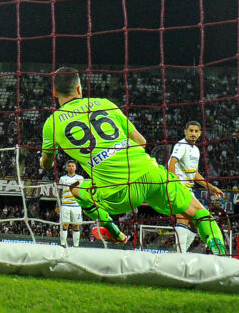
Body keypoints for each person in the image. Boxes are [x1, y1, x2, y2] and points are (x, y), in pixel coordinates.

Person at [39, 67, 226, 254]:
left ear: (54, 92)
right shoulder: (104, 103)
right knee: (198, 212)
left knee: (77, 189)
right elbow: (141, 141)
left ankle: (115, 233)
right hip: (150, 173)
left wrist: (44, 160)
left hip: (118, 191)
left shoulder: (52, 123)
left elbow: (47, 163)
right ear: (79, 89)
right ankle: (222, 257)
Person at [167, 121, 224, 252]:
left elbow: (195, 174)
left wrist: (211, 187)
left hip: (188, 189)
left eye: (196, 131)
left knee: (189, 222)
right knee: (201, 215)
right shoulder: (181, 145)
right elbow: (171, 163)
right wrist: (174, 185)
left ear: (200, 134)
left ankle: (179, 254)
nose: (193, 134)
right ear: (185, 131)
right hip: (180, 188)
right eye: (191, 131)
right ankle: (182, 255)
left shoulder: (196, 150)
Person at [56, 159, 84, 247]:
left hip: (76, 205)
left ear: (75, 168)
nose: (71, 167)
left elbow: (82, 192)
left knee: (76, 225)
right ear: (66, 168)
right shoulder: (62, 178)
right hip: (65, 205)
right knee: (65, 224)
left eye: (72, 166)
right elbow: (59, 191)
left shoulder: (80, 178)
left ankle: (76, 246)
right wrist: (57, 204)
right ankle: (63, 244)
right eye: (69, 166)